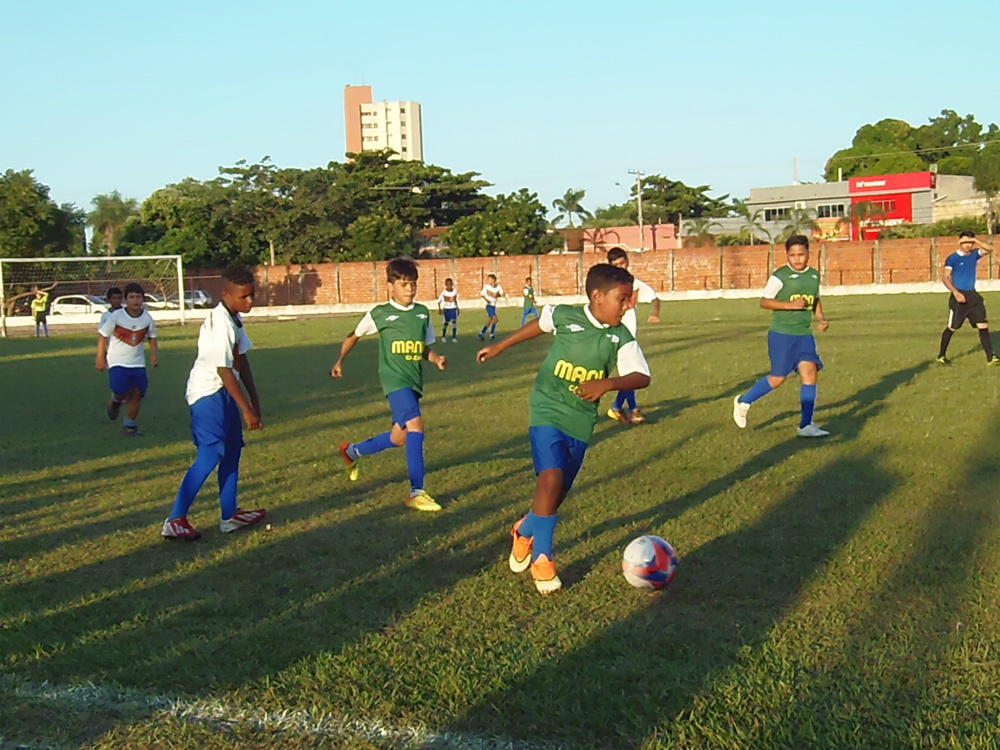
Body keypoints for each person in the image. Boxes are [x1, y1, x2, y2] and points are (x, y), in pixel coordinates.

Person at [477, 263, 651, 594]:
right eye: (623, 298)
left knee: (554, 496)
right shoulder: (565, 316)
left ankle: (524, 530)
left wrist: (608, 383)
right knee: (550, 479)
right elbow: (538, 325)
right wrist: (499, 346)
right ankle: (543, 560)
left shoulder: (620, 335)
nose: (628, 305)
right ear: (598, 297)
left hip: (580, 419)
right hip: (546, 407)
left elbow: (642, 376)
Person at [161, 265, 266, 541]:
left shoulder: (234, 319)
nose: (250, 301)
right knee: (210, 454)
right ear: (226, 295)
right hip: (207, 393)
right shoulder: (220, 324)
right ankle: (175, 519)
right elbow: (223, 370)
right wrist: (246, 409)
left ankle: (229, 515)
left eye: (252, 295)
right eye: (244, 297)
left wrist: (254, 400)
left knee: (232, 450)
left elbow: (241, 361)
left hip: (224, 392)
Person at [333, 258, 447, 512]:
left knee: (399, 437)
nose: (409, 289)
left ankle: (351, 452)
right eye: (404, 284)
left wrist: (435, 358)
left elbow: (422, 348)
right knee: (416, 425)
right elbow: (354, 335)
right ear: (391, 286)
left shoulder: (422, 314)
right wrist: (340, 360)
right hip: (394, 381)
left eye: (413, 284)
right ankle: (416, 492)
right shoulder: (380, 313)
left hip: (413, 380)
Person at [732, 234, 829, 437]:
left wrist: (820, 318)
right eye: (792, 255)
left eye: (800, 254)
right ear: (786, 255)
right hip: (782, 335)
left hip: (804, 334)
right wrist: (789, 305)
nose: (797, 259)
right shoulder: (780, 276)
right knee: (778, 378)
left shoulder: (813, 275)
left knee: (810, 374)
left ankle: (805, 426)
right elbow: (764, 301)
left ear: (808, 253)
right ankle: (744, 401)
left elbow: (815, 299)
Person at [605, 247, 661, 425]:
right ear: (611, 266)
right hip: (614, 335)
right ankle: (634, 410)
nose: (621, 267)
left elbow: (655, 298)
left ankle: (616, 407)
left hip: (630, 337)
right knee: (632, 374)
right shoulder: (607, 286)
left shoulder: (634, 284)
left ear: (627, 261)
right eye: (616, 264)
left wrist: (655, 313)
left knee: (631, 374)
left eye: (623, 263)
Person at [96, 283, 158, 437]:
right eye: (131, 297)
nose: (135, 300)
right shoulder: (116, 316)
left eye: (138, 297)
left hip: (137, 362)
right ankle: (115, 401)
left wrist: (154, 355)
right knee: (121, 390)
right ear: (126, 300)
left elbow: (152, 337)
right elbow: (103, 335)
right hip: (117, 361)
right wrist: (100, 357)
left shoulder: (147, 318)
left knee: (138, 393)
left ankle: (130, 426)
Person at [937, 230, 997, 365]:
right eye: (964, 242)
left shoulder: (974, 254)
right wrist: (956, 293)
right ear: (959, 242)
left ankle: (991, 357)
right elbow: (945, 278)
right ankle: (941, 355)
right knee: (953, 327)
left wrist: (976, 241)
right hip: (959, 296)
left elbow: (990, 249)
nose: (967, 245)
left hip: (973, 296)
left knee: (983, 325)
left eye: (970, 242)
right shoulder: (953, 258)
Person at [478, 274, 504, 340]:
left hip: (493, 306)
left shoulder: (498, 287)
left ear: (493, 280)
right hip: (489, 305)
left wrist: (497, 295)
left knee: (489, 320)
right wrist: (487, 300)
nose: (488, 281)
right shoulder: (487, 287)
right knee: (495, 319)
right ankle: (491, 335)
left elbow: (502, 294)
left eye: (489, 279)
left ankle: (481, 334)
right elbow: (482, 294)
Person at [437, 277, 459, 342]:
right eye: (447, 284)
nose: (449, 286)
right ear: (446, 285)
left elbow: (455, 300)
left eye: (450, 284)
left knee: (454, 323)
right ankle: (443, 336)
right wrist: (439, 309)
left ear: (452, 284)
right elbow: (439, 301)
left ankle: (454, 337)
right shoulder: (444, 292)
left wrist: (457, 307)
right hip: (446, 309)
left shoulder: (455, 291)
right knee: (446, 323)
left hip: (453, 308)